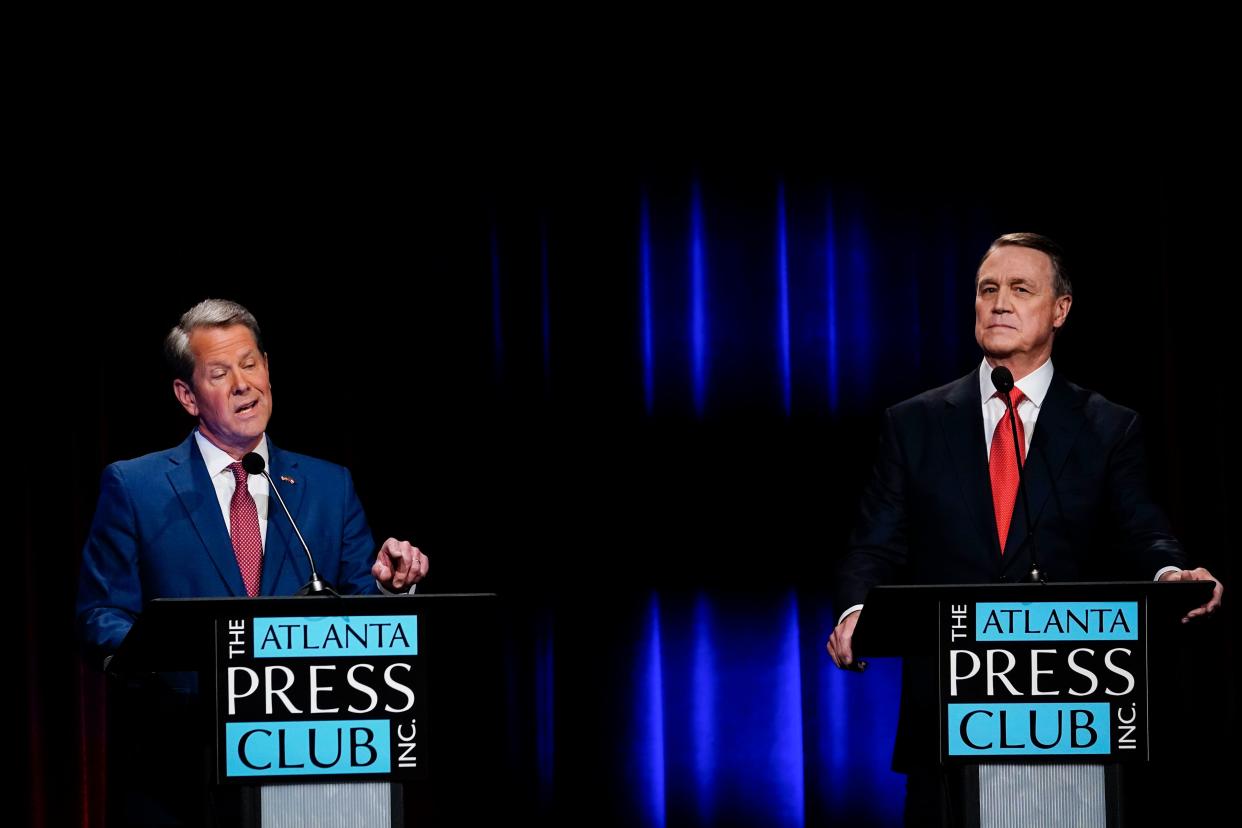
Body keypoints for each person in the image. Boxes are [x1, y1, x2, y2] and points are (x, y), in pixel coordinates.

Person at [825, 233, 1223, 823]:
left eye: (1020, 289)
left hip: (1072, 715)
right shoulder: (914, 424)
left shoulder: (1108, 427)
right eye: (988, 290)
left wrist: (1171, 571)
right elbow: (875, 542)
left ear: (1060, 309)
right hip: (951, 725)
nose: (1000, 303)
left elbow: (1141, 528)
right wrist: (856, 612)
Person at [75, 298, 429, 824]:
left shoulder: (329, 486)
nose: (243, 383)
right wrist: (166, 656)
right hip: (181, 769)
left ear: (267, 369)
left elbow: (361, 604)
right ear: (187, 396)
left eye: (250, 363)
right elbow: (99, 614)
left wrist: (392, 588)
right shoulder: (136, 486)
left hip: (306, 770)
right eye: (220, 373)